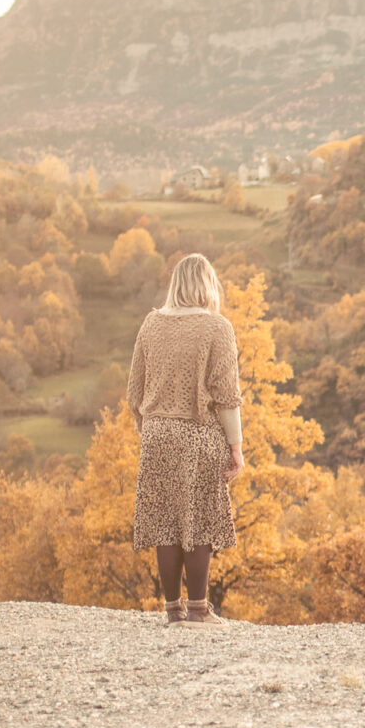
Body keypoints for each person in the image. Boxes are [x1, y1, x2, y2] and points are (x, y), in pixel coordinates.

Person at [124, 253, 245, 625]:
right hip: (198, 436)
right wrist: (236, 447)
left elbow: (134, 392)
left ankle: (172, 609)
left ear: (176, 283)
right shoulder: (217, 328)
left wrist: (151, 429)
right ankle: (198, 609)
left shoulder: (151, 324)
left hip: (157, 434)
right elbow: (226, 395)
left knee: (164, 520)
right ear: (207, 284)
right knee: (200, 520)